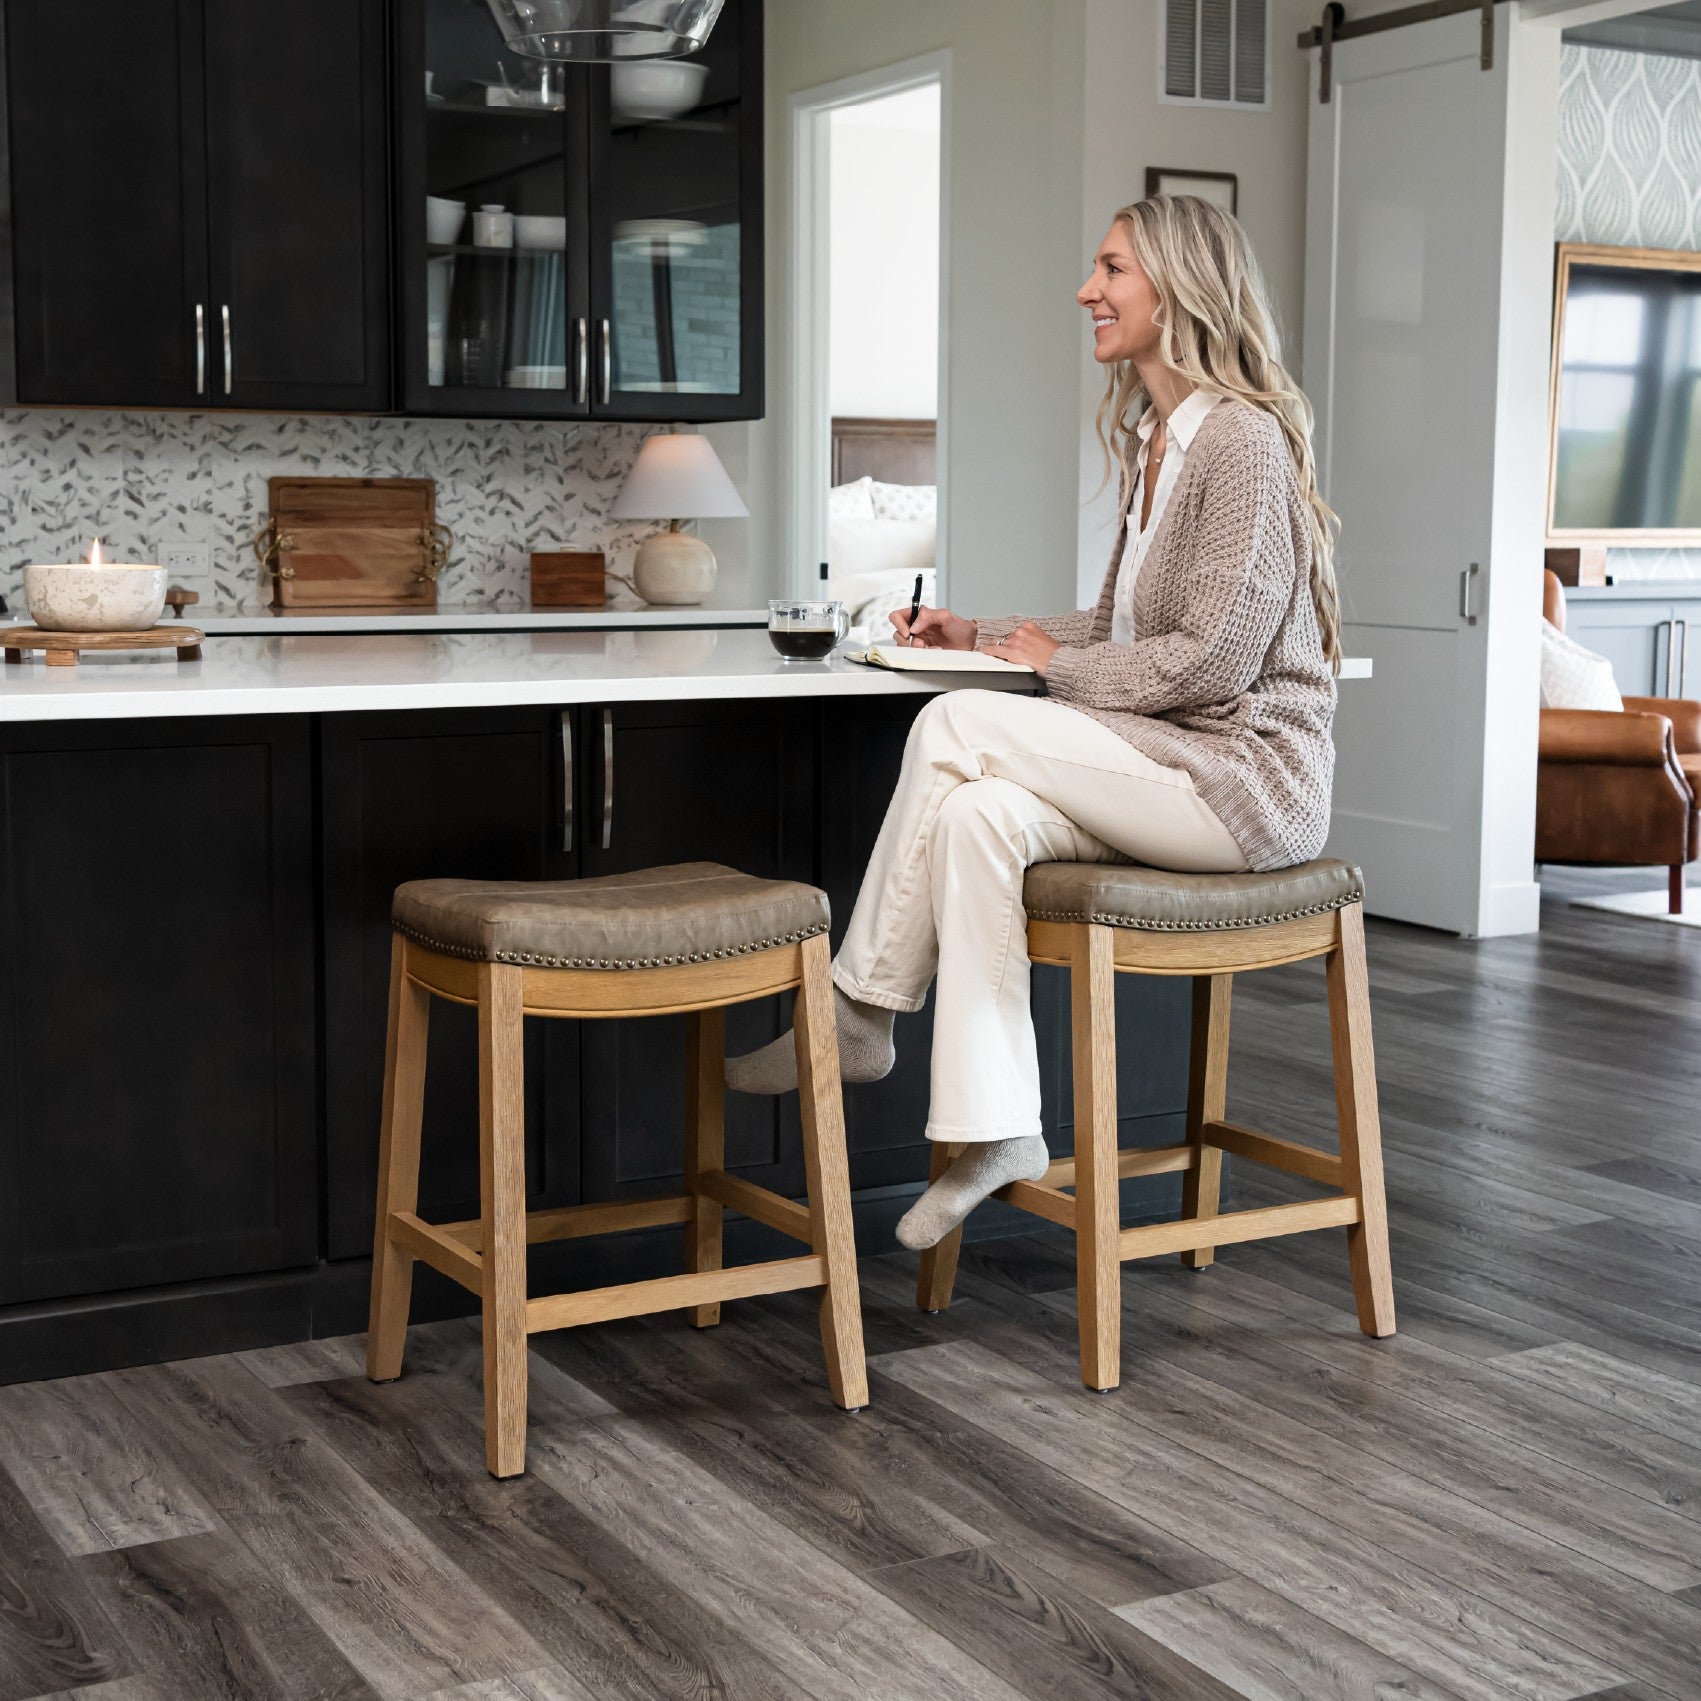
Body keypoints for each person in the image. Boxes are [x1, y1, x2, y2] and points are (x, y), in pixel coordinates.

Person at [727, 193, 1342, 1251]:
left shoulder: (1240, 442)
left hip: (1244, 787)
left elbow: (1216, 658)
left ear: (1178, 287)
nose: (1086, 291)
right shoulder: (1160, 440)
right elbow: (1117, 626)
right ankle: (999, 1128)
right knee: (978, 822)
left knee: (961, 727)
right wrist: (987, 627)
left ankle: (858, 1006)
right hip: (1174, 767)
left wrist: (1049, 667)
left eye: (1110, 270)